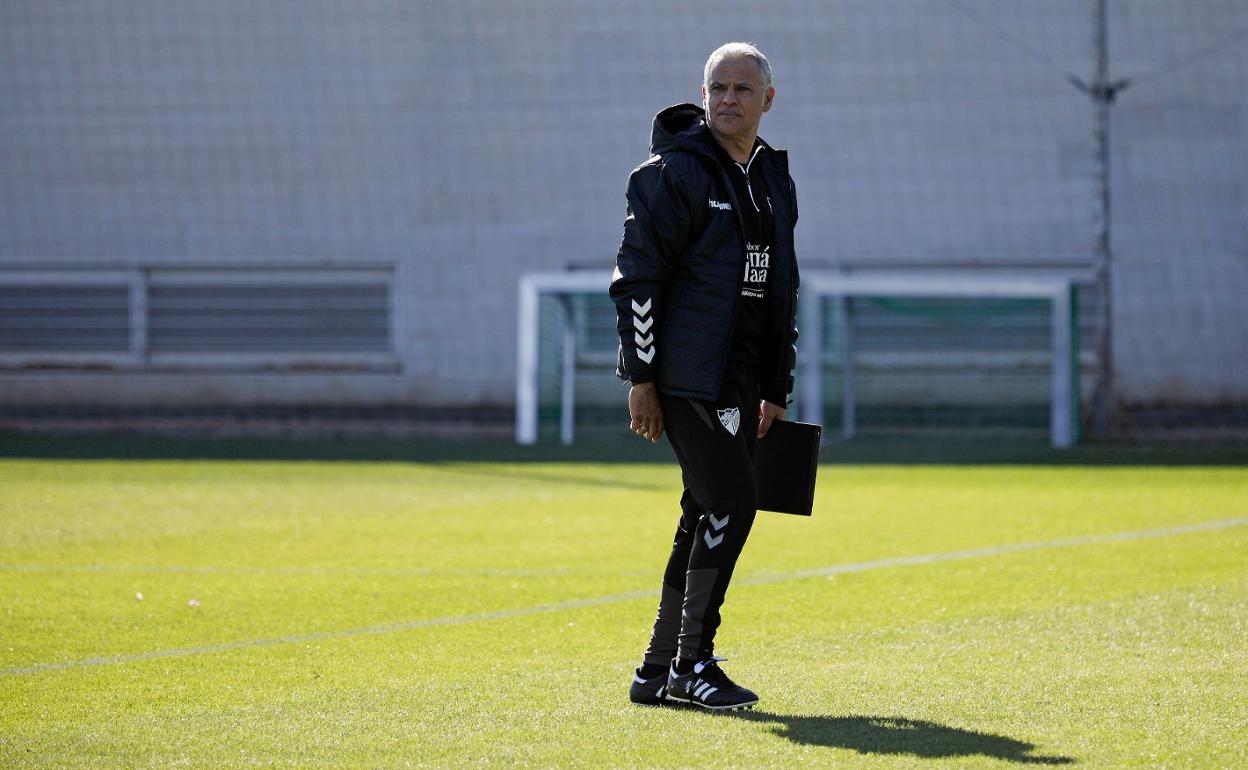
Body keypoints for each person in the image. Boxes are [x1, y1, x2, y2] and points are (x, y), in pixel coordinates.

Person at [609, 42, 799, 711]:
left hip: (744, 382)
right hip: (688, 376)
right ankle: (694, 663)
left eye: (742, 89)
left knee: (706, 508)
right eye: (717, 88)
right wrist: (641, 376)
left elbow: (782, 289)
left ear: (767, 100)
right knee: (731, 501)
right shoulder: (671, 175)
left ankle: (658, 670)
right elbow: (637, 278)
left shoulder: (773, 177)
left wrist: (777, 387)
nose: (727, 100)